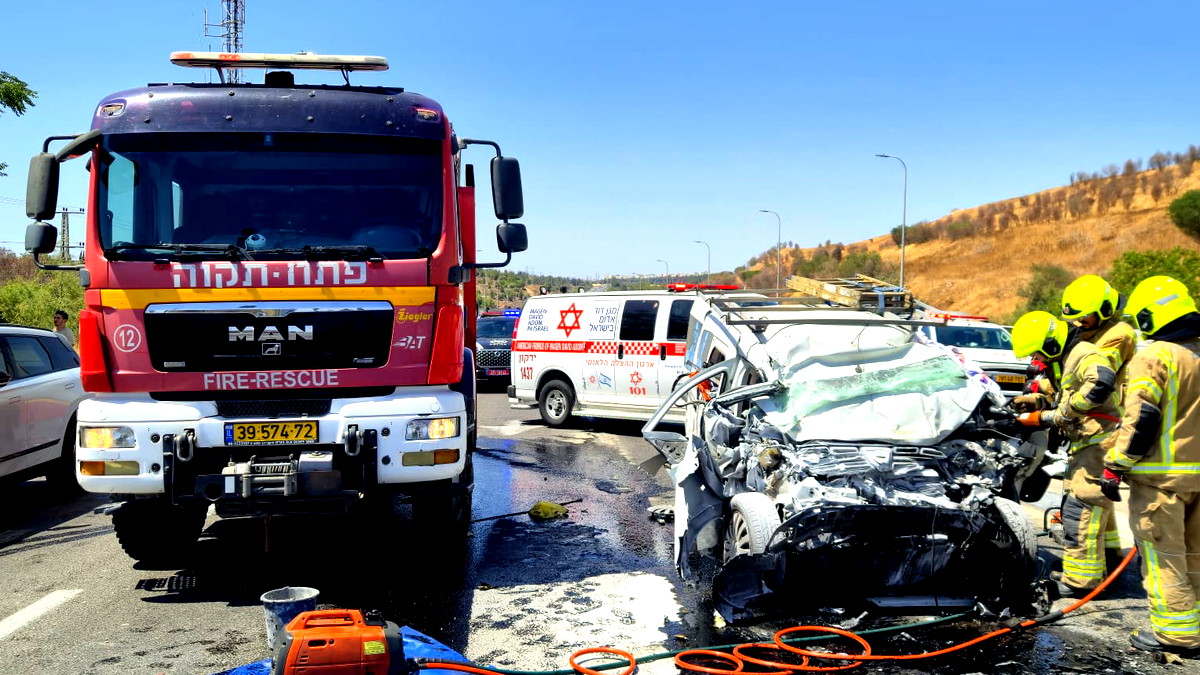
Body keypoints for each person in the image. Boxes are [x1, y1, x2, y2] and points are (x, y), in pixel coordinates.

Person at [1102, 276, 1200, 655]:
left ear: (1149, 316)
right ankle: (1194, 627)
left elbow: (1142, 417)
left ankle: (1176, 635)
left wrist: (1115, 465)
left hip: (1162, 482)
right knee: (1195, 556)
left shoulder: (1156, 355)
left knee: (1165, 560)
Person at [1011, 310, 1120, 598]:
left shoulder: (1082, 353)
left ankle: (1080, 581)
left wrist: (1055, 416)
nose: (1039, 359)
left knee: (1079, 508)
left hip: (1099, 442)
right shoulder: (1067, 356)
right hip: (1089, 442)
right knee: (1092, 507)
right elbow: (1065, 394)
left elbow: (1102, 382)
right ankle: (1106, 565)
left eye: (1038, 352)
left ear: (1050, 342)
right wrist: (1033, 402)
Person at [1061, 274, 1137, 564]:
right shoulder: (1090, 331)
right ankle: (1108, 554)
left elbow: (1095, 377)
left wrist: (1061, 412)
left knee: (1085, 498)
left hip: (1105, 425)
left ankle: (1084, 575)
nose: (1080, 323)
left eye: (1085, 318)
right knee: (1096, 500)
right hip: (1093, 425)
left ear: (1104, 309)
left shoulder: (1119, 335)